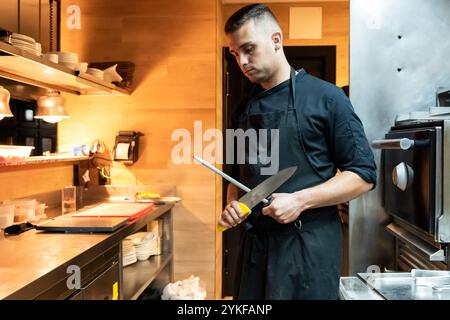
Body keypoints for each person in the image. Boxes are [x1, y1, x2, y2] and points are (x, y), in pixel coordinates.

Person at [219, 4, 377, 300]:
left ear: (276, 40)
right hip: (255, 251)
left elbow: (363, 175)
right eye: (234, 53)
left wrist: (300, 201)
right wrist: (233, 206)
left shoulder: (327, 98)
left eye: (248, 49)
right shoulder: (242, 110)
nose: (241, 61)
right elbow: (235, 178)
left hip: (307, 251)